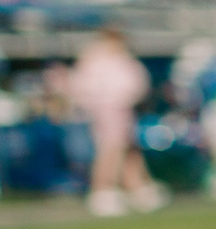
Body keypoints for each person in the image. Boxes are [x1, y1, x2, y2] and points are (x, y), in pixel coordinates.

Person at [67, 28, 164, 217]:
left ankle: (138, 188)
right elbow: (84, 88)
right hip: (107, 110)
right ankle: (103, 190)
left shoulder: (118, 58)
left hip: (121, 110)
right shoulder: (96, 60)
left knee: (128, 150)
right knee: (111, 150)